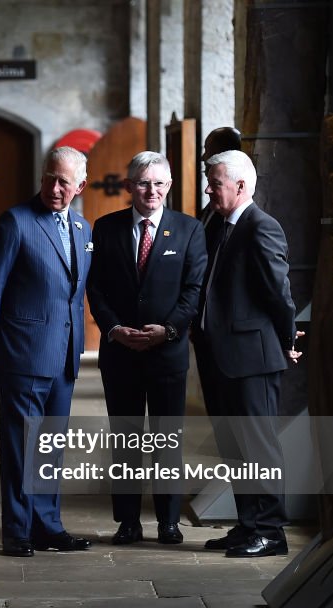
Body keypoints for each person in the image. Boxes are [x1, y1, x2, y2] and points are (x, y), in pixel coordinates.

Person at [0, 146, 94, 558]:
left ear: (81, 186)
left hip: (64, 356)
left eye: (64, 182)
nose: (54, 188)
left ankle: (48, 526)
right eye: (49, 178)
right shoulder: (15, 222)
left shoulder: (82, 228)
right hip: (22, 352)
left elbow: (73, 295)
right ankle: (17, 531)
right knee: (22, 444)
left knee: (50, 446)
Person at [86, 151, 207, 546]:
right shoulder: (105, 228)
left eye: (158, 183)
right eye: (142, 182)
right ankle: (128, 523)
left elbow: (194, 290)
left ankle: (169, 523)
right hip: (120, 354)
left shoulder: (189, 230)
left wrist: (169, 330)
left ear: (169, 186)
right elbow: (96, 287)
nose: (151, 190)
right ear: (129, 187)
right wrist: (113, 328)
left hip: (167, 355)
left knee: (166, 440)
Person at [192, 150, 303, 558]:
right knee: (234, 449)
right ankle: (247, 525)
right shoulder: (217, 225)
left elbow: (280, 294)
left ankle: (271, 533)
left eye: (214, 182)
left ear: (240, 186)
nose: (208, 189)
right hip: (219, 357)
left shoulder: (261, 227)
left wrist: (287, 341)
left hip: (251, 359)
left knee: (259, 448)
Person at [199, 127, 242, 226]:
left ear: (223, 153)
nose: (202, 158)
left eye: (207, 150)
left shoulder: (234, 208)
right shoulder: (213, 205)